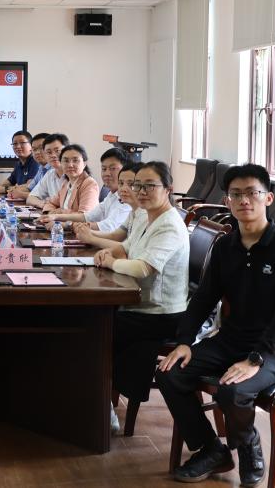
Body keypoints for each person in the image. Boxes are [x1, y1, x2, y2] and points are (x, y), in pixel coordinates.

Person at [157, 163, 275, 487]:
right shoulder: (225, 246)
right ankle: (212, 450)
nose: (244, 200)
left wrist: (256, 358)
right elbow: (203, 298)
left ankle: (248, 445)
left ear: (268, 198)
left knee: (233, 391)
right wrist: (184, 341)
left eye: (252, 193)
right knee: (170, 373)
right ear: (227, 201)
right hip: (230, 340)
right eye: (236, 194)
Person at [94, 160, 189, 435]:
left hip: (161, 314)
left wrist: (111, 263)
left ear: (168, 189)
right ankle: (99, 397)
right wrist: (109, 253)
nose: (141, 191)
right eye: (138, 185)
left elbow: (143, 268)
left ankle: (102, 407)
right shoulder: (145, 215)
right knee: (93, 319)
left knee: (97, 330)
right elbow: (126, 246)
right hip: (140, 304)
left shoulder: (169, 225)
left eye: (150, 186)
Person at [41, 148, 131, 230]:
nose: (107, 173)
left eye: (113, 168)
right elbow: (88, 216)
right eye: (104, 169)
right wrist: (55, 216)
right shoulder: (111, 195)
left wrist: (68, 224)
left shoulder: (127, 197)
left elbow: (108, 226)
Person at [73, 162, 143, 251]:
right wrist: (87, 232)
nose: (123, 189)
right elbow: (115, 236)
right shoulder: (133, 213)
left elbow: (130, 248)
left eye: (131, 184)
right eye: (121, 183)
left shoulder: (145, 214)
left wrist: (91, 239)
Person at [39, 144, 100, 214]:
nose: (70, 165)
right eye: (66, 161)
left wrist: (61, 212)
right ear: (61, 163)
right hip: (60, 221)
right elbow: (51, 203)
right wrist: (51, 212)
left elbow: (85, 215)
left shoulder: (89, 184)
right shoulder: (66, 184)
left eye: (75, 160)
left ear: (84, 164)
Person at [26, 133, 69, 209]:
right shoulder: (50, 174)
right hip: (53, 214)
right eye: (49, 152)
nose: (53, 155)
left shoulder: (74, 175)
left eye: (57, 151)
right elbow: (30, 198)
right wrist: (44, 205)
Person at [0, 130, 38, 195]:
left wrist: (5, 189)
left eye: (22, 143)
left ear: (31, 145)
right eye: (15, 144)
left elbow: (30, 186)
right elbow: (7, 182)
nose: (18, 146)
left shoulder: (35, 161)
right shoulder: (19, 164)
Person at [9, 132, 49, 199]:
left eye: (41, 148)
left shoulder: (53, 170)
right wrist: (13, 190)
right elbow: (30, 187)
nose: (37, 152)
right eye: (34, 149)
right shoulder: (41, 168)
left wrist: (20, 194)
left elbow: (46, 197)